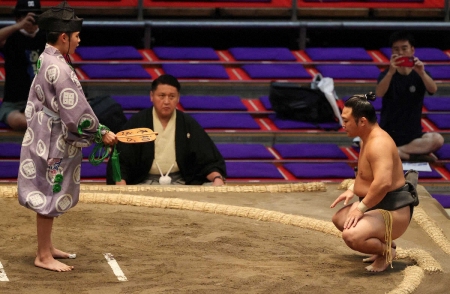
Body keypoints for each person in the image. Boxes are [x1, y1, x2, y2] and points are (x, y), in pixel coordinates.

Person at [17, 1, 118, 272]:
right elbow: (76, 113)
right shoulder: (59, 68)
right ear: (64, 37)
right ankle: (42, 254)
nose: (79, 40)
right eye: (76, 36)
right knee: (50, 190)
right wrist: (101, 132)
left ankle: (47, 246)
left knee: (49, 188)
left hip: (45, 132)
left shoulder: (46, 57)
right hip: (53, 139)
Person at [330, 93, 417, 272]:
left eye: (346, 120)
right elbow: (368, 174)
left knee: (351, 235)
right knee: (340, 219)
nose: (343, 125)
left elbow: (383, 183)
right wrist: (354, 188)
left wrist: (361, 207)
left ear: (362, 121)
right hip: (378, 205)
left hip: (392, 210)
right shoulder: (366, 138)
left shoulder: (379, 143)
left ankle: (385, 252)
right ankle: (383, 244)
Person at [106, 74, 226, 186]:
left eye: (172, 96)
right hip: (144, 182)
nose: (167, 101)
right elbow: (121, 161)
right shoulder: (138, 122)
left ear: (178, 98)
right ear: (152, 96)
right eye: (161, 96)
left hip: (181, 182)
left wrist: (217, 178)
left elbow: (208, 160)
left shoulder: (187, 123)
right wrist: (121, 187)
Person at [375, 31, 444, 162]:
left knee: (437, 140)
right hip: (389, 133)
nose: (400, 52)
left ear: (412, 50)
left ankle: (398, 152)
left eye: (404, 48)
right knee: (368, 143)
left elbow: (433, 89)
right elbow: (379, 93)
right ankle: (413, 155)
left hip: (413, 135)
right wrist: (390, 72)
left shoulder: (420, 72)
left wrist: (422, 73)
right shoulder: (387, 74)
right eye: (396, 49)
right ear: (391, 52)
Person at [0, 0, 46, 131]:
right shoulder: (10, 37)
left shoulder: (47, 37)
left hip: (43, 102)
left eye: (34, 16)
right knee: (19, 121)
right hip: (14, 103)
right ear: (17, 18)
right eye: (25, 15)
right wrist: (18, 26)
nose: (30, 20)